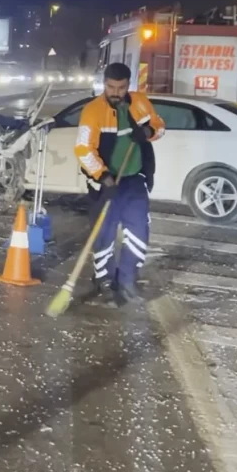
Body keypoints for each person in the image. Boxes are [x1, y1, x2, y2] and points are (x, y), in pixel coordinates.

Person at [74, 62, 165, 306]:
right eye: (111, 87)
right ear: (104, 84)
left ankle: (127, 279)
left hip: (134, 178)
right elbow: (83, 150)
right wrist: (102, 176)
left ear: (128, 85)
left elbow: (159, 126)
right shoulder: (92, 111)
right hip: (105, 183)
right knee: (103, 233)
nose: (116, 92)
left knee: (138, 230)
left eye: (121, 87)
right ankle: (104, 280)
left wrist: (147, 132)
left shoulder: (140, 102)